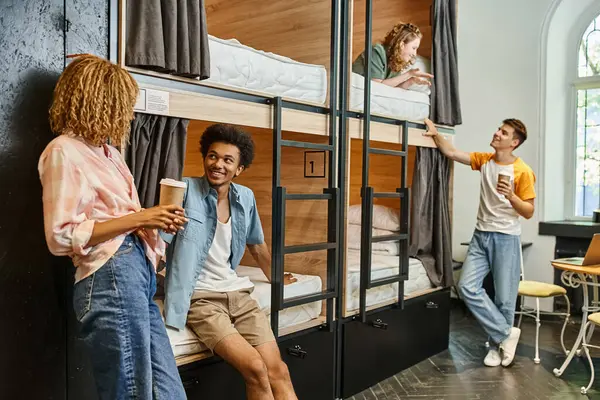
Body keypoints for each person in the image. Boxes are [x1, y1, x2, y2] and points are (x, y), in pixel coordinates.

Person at [38, 55, 187, 399]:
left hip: (138, 273)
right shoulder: (64, 151)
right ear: (98, 102)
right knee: (132, 393)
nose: (128, 115)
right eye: (122, 106)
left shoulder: (110, 154)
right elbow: (60, 235)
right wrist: (141, 218)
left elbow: (118, 218)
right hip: (109, 275)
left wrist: (157, 220)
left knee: (169, 393)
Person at [161, 123, 298, 400]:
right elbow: (157, 241)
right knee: (256, 368)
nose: (217, 164)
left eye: (227, 160)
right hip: (202, 300)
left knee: (278, 370)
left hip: (239, 295)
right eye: (213, 156)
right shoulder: (185, 189)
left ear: (239, 169)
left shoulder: (245, 197)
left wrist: (277, 276)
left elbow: (256, 244)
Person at [423, 117, 536, 367]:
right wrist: (434, 134)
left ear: (514, 142)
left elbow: (528, 211)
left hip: (506, 238)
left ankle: (498, 348)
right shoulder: (485, 160)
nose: (497, 133)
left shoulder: (523, 171)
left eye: (503, 133)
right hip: (481, 235)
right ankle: (506, 334)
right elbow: (451, 152)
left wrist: (512, 196)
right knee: (466, 286)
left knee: (505, 299)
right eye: (498, 129)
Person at [352, 22, 434, 89]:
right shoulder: (376, 52)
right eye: (414, 48)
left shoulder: (395, 61)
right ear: (401, 45)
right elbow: (376, 87)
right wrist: (409, 74)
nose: (414, 54)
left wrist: (410, 81)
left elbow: (391, 87)